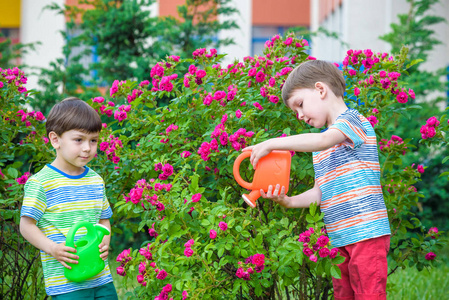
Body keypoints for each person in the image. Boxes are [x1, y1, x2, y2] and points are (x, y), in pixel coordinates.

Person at [244, 60, 391, 300]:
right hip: (339, 237)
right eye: (295, 111)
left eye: (300, 105)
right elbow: (319, 192)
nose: (300, 115)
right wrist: (288, 201)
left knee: (369, 295)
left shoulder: (352, 121)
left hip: (367, 233)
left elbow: (322, 140)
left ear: (321, 90)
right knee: (344, 296)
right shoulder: (321, 149)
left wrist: (271, 143)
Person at [19, 97, 118, 299]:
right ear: (55, 139)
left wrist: (105, 240)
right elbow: (26, 225)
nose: (87, 148)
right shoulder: (41, 183)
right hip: (66, 283)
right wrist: (53, 248)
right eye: (79, 140)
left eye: (93, 140)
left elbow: (103, 219)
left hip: (101, 276)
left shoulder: (96, 180)